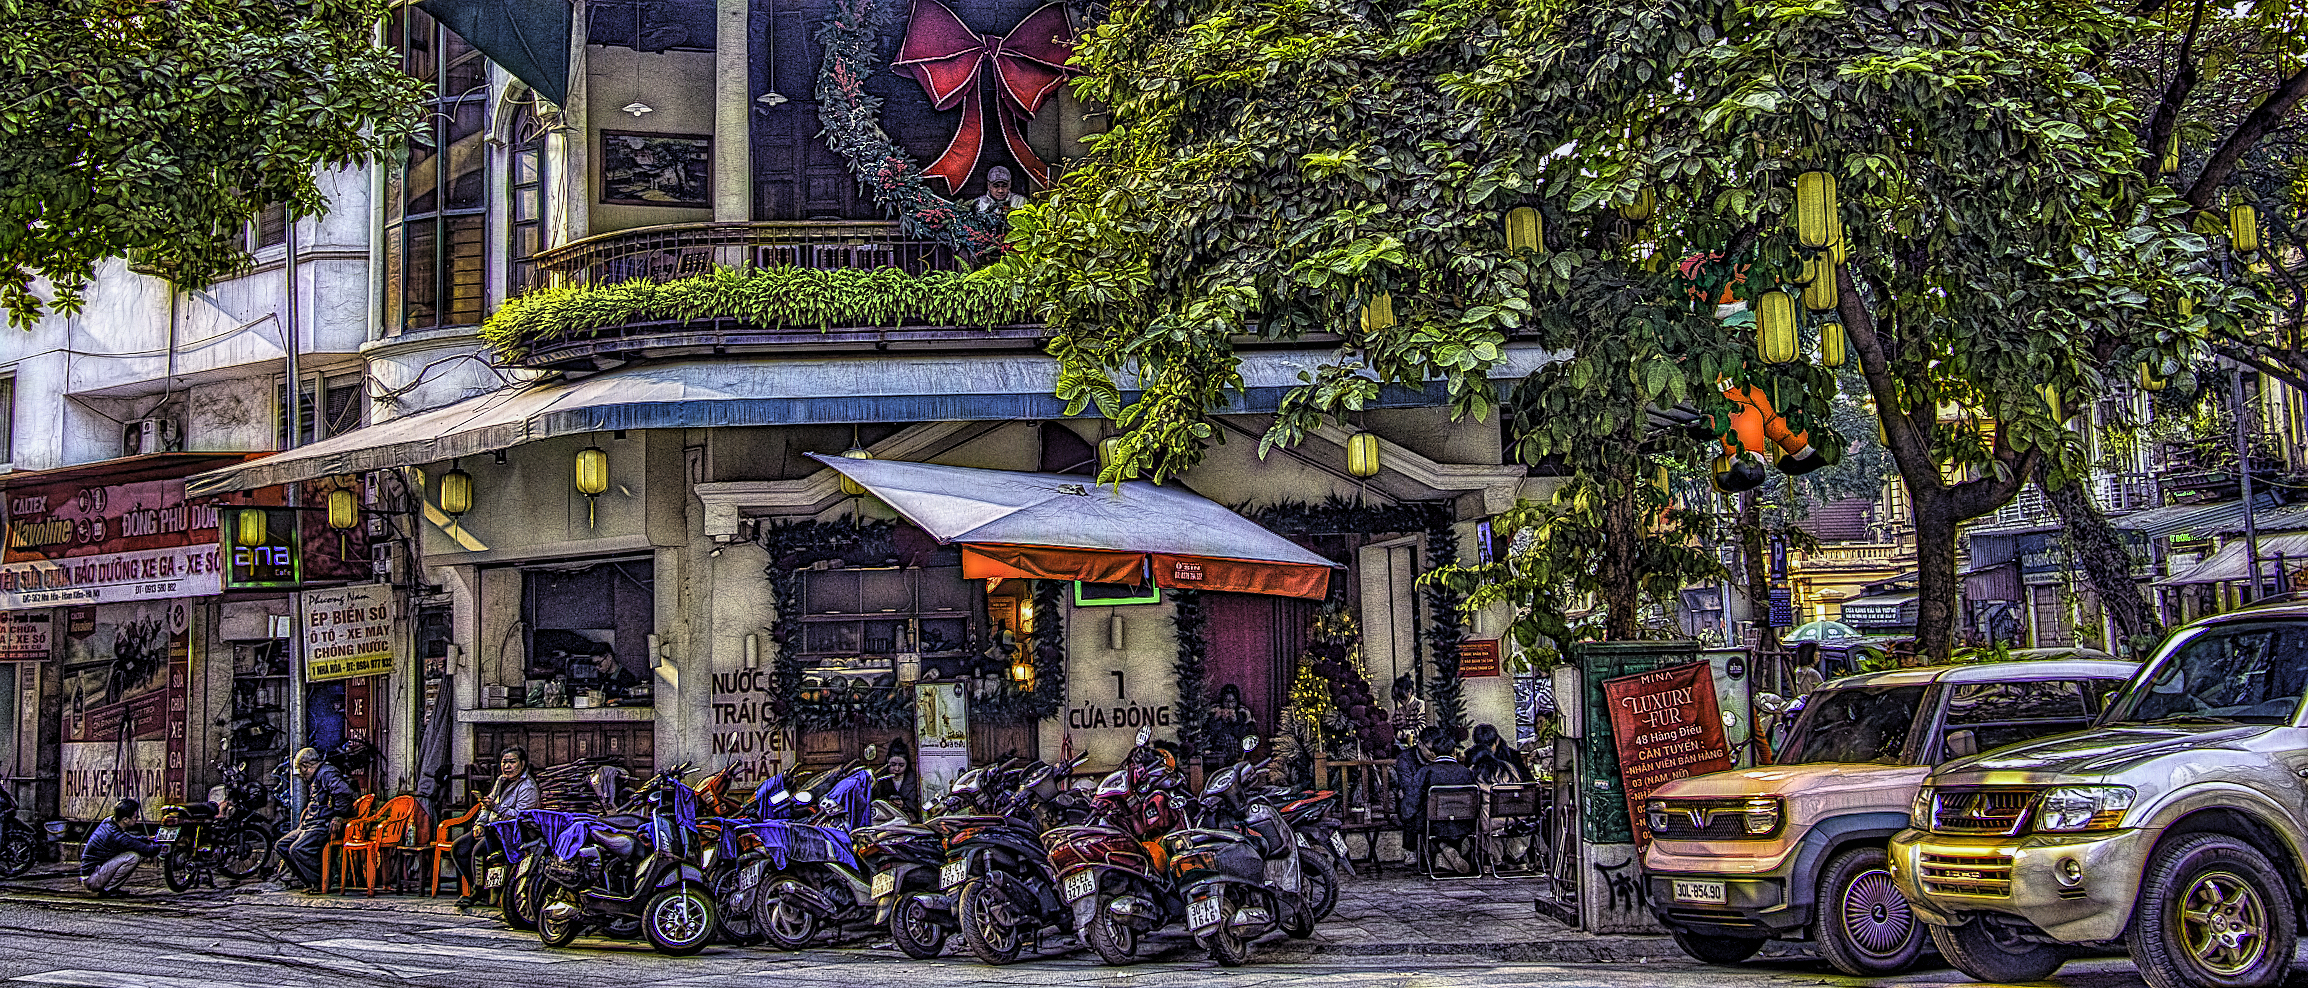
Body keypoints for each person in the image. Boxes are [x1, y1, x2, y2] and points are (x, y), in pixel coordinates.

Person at [452, 746, 540, 906]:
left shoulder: (528, 786)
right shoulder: (501, 780)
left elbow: (521, 815)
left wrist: (496, 808)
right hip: (491, 828)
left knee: (478, 851)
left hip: (512, 833)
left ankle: (477, 892)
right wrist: (480, 823)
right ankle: (480, 889)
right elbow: (487, 805)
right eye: (504, 762)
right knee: (459, 847)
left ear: (523, 763)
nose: (507, 766)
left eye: (512, 762)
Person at [272, 747, 355, 891]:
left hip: (322, 824)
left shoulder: (327, 773)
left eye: (301, 769)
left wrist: (339, 815)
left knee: (298, 849)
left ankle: (321, 880)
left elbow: (343, 792)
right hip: (310, 824)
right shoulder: (318, 775)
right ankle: (308, 881)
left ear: (305, 766)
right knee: (282, 845)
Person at [1400, 732, 1479, 874]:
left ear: (1434, 752)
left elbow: (1411, 802)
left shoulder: (1426, 772)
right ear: (1454, 751)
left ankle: (1444, 848)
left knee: (1419, 817)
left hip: (1433, 824)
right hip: (1465, 823)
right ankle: (1444, 856)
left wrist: (1405, 815)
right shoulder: (1466, 772)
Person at [80, 798, 157, 896]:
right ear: (125, 819)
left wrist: (146, 838)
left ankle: (109, 888)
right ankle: (109, 890)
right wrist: (166, 843)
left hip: (93, 873)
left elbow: (129, 839)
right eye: (135, 817)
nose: (137, 818)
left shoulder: (109, 821)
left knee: (130, 854)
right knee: (133, 857)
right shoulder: (117, 836)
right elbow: (148, 851)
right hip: (93, 879)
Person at [1205, 684, 1256, 762]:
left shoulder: (1243, 713)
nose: (1229, 705)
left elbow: (1246, 736)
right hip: (1218, 749)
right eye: (1226, 701)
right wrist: (1217, 720)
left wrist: (1235, 722)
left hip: (1237, 749)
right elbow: (1210, 735)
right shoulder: (1214, 711)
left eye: (1232, 701)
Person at [877, 740, 920, 816]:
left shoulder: (913, 780)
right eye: (893, 764)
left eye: (901, 765)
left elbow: (916, 803)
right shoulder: (881, 780)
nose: (897, 769)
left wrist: (904, 805)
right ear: (887, 760)